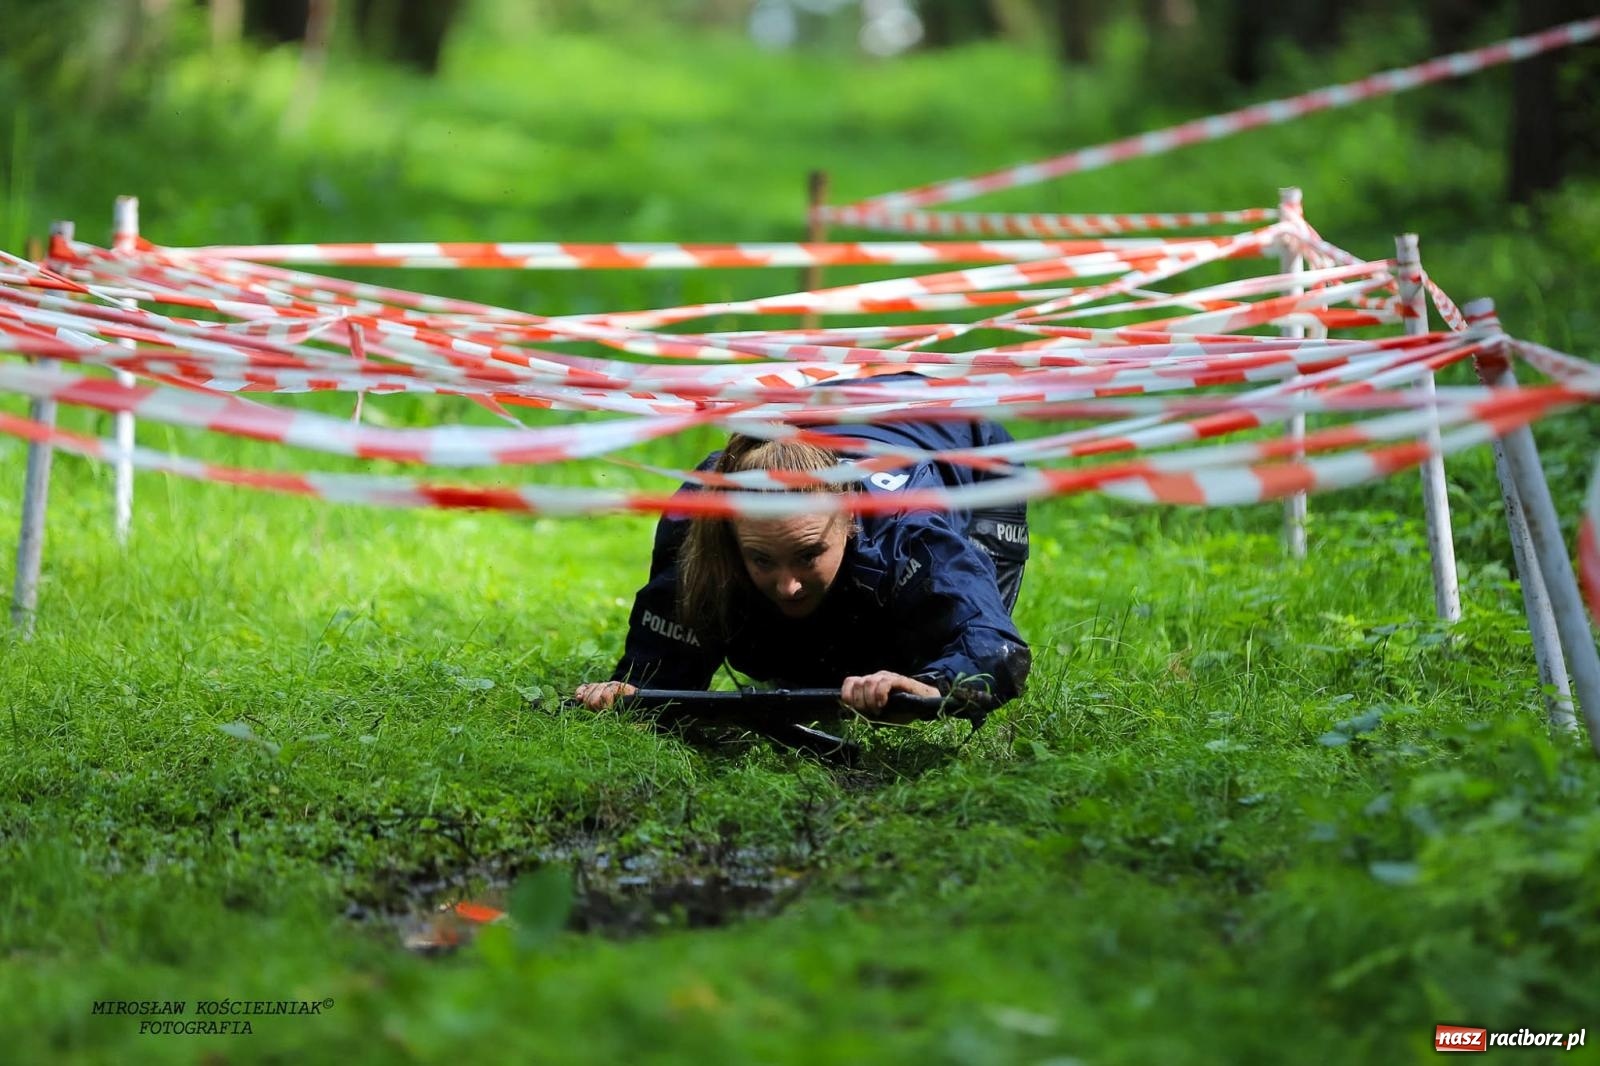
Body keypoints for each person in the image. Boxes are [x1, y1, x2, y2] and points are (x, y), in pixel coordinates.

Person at [574, 414, 1031, 720]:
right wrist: (630, 691)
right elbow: (660, 671)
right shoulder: (702, 518)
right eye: (761, 559)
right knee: (793, 651)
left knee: (921, 653)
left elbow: (998, 652)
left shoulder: (908, 529)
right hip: (832, 413)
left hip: (966, 446)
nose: (789, 585)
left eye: (809, 554)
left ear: (849, 517)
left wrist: (931, 686)